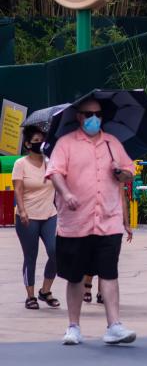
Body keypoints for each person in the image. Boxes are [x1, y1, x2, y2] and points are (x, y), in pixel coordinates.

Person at [47, 97, 136, 346]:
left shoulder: (112, 144)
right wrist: (66, 193)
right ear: (78, 117)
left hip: (109, 220)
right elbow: (54, 172)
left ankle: (114, 325)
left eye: (97, 114)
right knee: (74, 277)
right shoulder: (65, 144)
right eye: (88, 114)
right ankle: (73, 326)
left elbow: (129, 172)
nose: (93, 118)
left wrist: (121, 172)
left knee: (109, 273)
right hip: (75, 223)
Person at [12, 123, 59, 311]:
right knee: (30, 256)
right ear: (27, 145)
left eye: (43, 141)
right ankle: (30, 295)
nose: (40, 144)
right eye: (36, 141)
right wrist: (22, 211)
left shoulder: (51, 162)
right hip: (27, 217)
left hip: (50, 214)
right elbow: (18, 189)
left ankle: (45, 291)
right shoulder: (20, 164)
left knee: (56, 252)